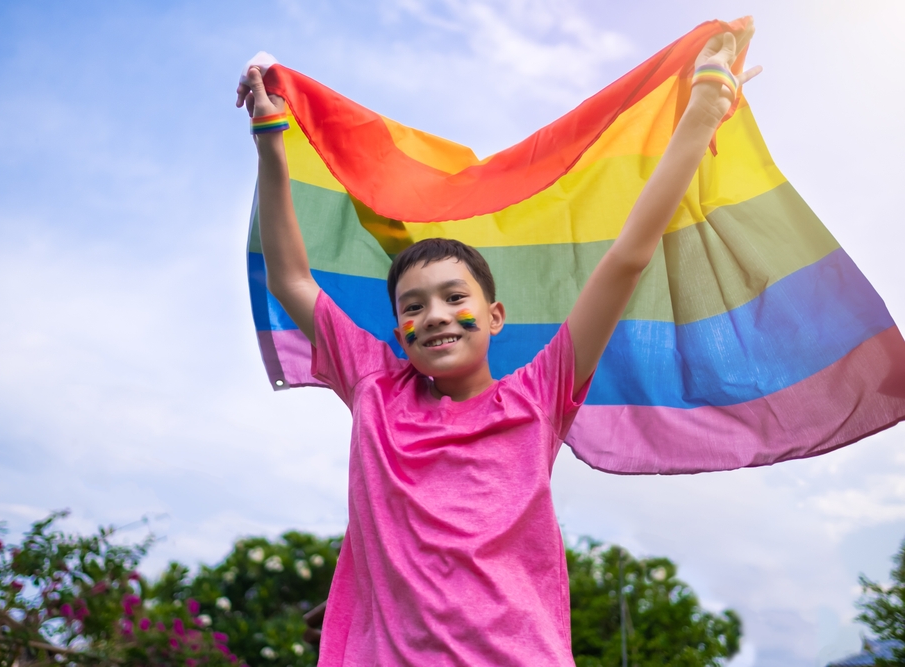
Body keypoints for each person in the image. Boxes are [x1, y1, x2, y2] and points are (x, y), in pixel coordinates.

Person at [237, 23, 761, 667]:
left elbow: (628, 257)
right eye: (413, 305)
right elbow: (292, 278)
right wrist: (270, 140)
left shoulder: (541, 394)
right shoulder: (375, 385)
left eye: (455, 298)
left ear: (495, 316)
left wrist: (704, 110)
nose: (435, 315)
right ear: (398, 329)